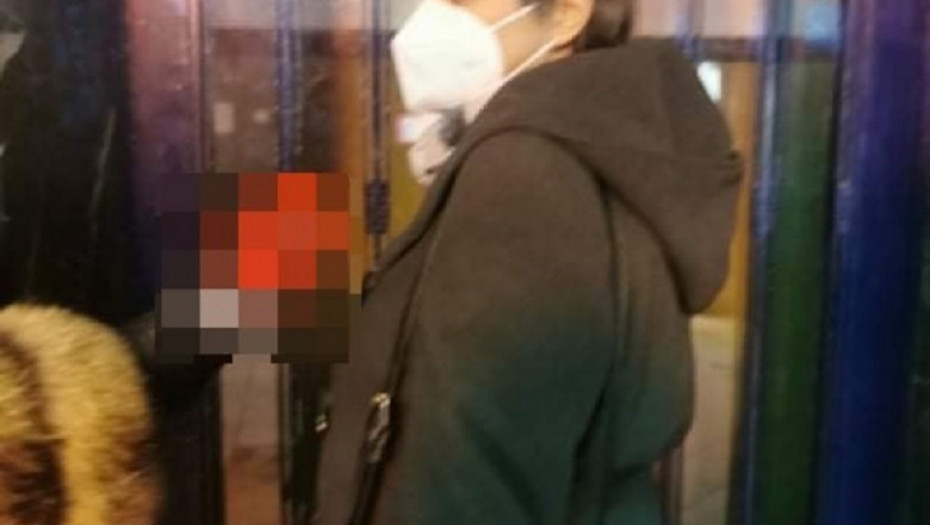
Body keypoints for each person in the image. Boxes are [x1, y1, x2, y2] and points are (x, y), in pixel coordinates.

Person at [315, 0, 742, 524]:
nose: (430, 16)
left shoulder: (522, 172)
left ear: (567, 14)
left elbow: (471, 481)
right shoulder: (604, 149)